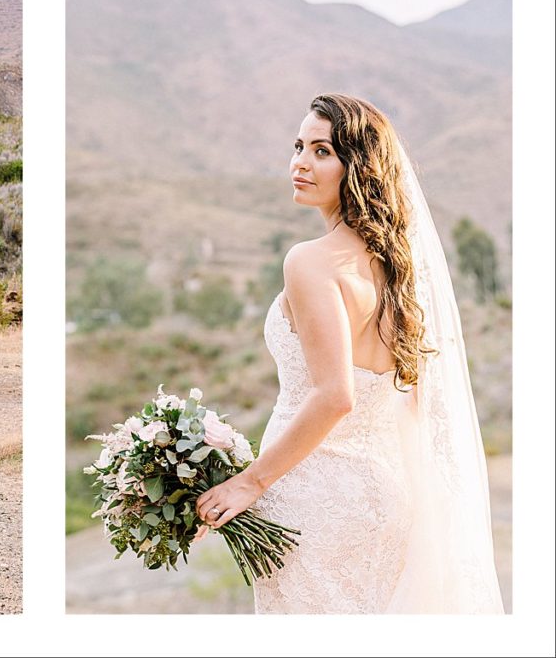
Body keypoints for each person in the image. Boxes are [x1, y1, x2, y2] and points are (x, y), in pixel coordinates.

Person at [195, 94, 503, 614]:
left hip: (317, 498)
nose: (299, 162)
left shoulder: (311, 262)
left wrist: (249, 482)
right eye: (298, 146)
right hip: (387, 494)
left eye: (322, 151)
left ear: (357, 167)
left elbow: (336, 396)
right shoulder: (396, 266)